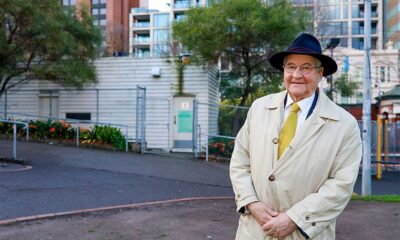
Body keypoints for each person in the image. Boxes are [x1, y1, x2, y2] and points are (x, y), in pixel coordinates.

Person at [229, 33, 362, 239]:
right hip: (255, 230)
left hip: (305, 232)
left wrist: (294, 219)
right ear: (284, 70)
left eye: (306, 67)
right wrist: (251, 202)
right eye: (291, 66)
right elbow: (240, 161)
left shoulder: (344, 124)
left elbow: (341, 185)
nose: (297, 74)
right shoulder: (259, 108)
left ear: (321, 73)